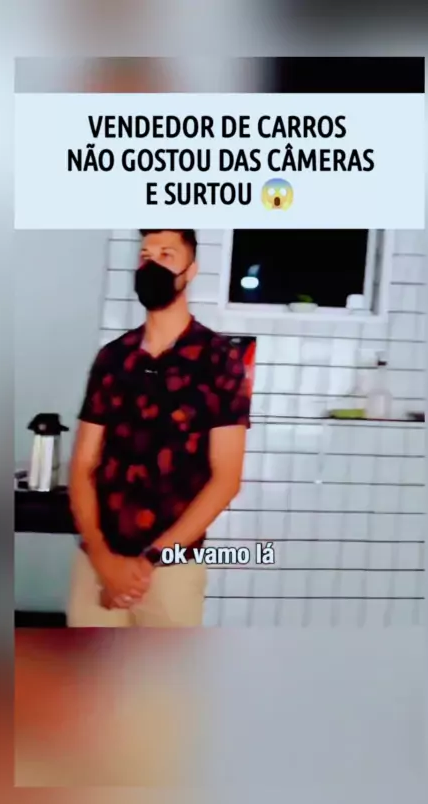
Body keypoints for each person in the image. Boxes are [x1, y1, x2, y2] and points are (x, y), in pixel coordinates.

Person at [67, 229, 251, 627]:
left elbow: (227, 478)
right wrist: (102, 557)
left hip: (172, 572)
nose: (152, 265)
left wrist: (150, 560)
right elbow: (82, 465)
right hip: (98, 566)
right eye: (145, 256)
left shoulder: (220, 360)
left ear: (191, 270)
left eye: (166, 255)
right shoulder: (112, 359)